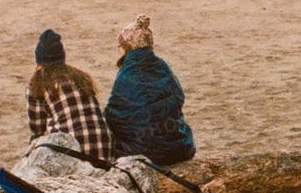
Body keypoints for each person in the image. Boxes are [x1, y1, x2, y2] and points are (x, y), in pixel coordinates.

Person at [103, 14, 196, 164]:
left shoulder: (128, 73)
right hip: (180, 147)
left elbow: (114, 115)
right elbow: (178, 99)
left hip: (147, 151)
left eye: (120, 46)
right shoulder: (163, 67)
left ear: (127, 47)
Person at [25, 28, 115, 162]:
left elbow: (37, 130)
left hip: (73, 152)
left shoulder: (36, 84)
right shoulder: (81, 77)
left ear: (39, 59)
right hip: (104, 147)